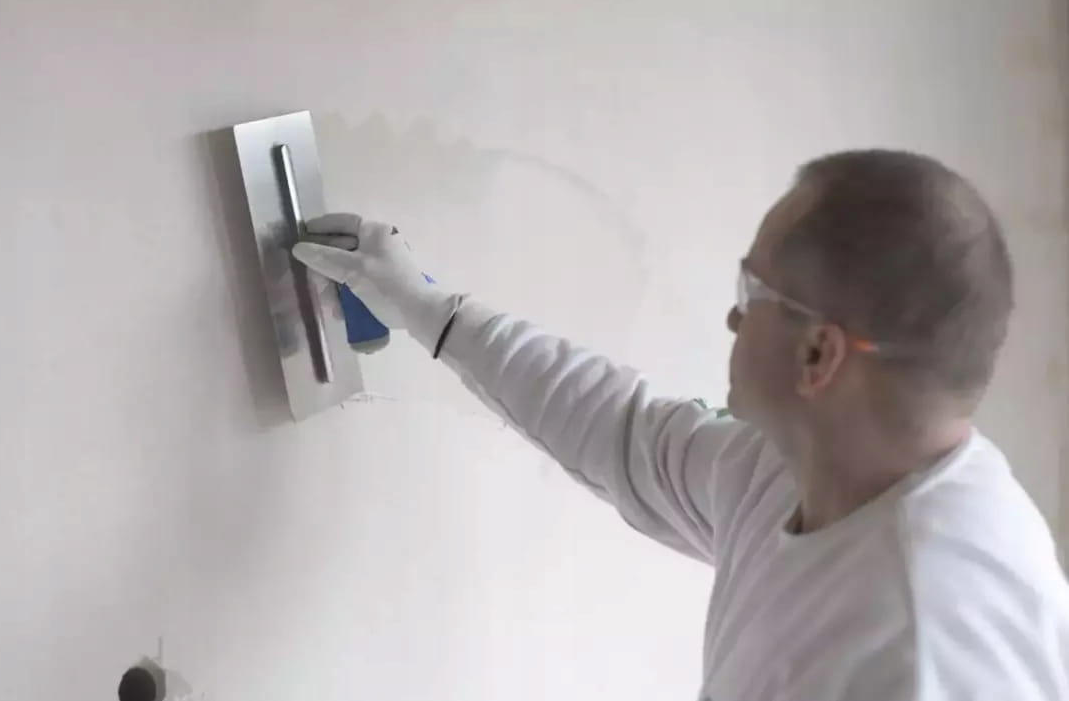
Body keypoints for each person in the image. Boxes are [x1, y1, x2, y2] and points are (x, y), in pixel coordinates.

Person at [292, 149, 1069, 701]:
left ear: (819, 353)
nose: (732, 316)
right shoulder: (798, 468)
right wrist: (426, 308)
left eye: (751, 290)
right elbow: (619, 428)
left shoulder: (916, 653)